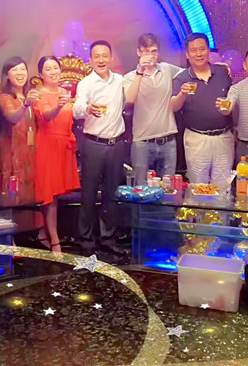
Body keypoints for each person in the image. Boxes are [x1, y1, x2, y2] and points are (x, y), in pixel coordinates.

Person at [73, 40, 128, 255]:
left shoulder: (120, 81)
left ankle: (108, 238)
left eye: (105, 56)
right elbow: (77, 109)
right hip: (93, 144)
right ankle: (86, 239)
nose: (101, 60)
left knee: (111, 194)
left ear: (111, 58)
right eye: (97, 56)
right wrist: (87, 108)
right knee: (88, 193)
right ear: (90, 60)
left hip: (117, 144)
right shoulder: (86, 83)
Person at [171, 34, 234, 186]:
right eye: (193, 50)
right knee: (198, 186)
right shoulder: (182, 78)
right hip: (197, 138)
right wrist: (182, 94)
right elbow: (173, 107)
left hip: (224, 137)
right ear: (187, 55)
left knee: (223, 185)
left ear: (208, 51)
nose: (199, 54)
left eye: (202, 49)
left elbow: (232, 98)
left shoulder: (222, 71)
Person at [34, 56, 80, 254]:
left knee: (58, 195)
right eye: (48, 69)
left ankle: (44, 233)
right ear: (41, 74)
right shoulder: (38, 93)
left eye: (55, 68)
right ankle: (55, 240)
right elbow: (45, 116)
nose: (53, 72)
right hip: (47, 144)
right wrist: (59, 106)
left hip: (64, 145)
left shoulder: (65, 92)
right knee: (49, 195)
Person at [123, 33, 181, 184]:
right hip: (142, 142)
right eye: (146, 52)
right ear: (139, 52)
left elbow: (189, 74)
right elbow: (130, 99)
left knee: (168, 188)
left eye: (154, 51)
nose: (150, 56)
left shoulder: (167, 69)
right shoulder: (130, 77)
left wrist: (216, 66)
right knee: (141, 188)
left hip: (168, 140)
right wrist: (140, 72)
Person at [0, 57, 40, 205]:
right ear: (7, 76)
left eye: (23, 69)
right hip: (13, 154)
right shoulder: (5, 98)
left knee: (31, 199)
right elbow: (12, 116)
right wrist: (25, 105)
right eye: (15, 70)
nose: (20, 73)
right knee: (14, 197)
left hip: (31, 153)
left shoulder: (32, 95)